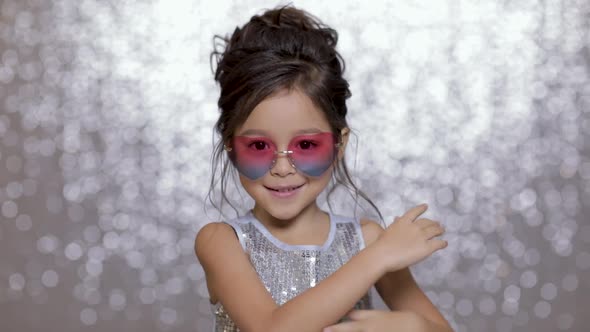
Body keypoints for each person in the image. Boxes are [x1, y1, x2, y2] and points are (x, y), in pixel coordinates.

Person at [195, 5, 452, 332]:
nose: (283, 167)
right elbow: (271, 328)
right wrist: (377, 258)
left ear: (339, 145)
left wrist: (415, 327)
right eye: (260, 146)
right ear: (230, 144)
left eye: (306, 146)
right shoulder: (221, 242)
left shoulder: (366, 239)